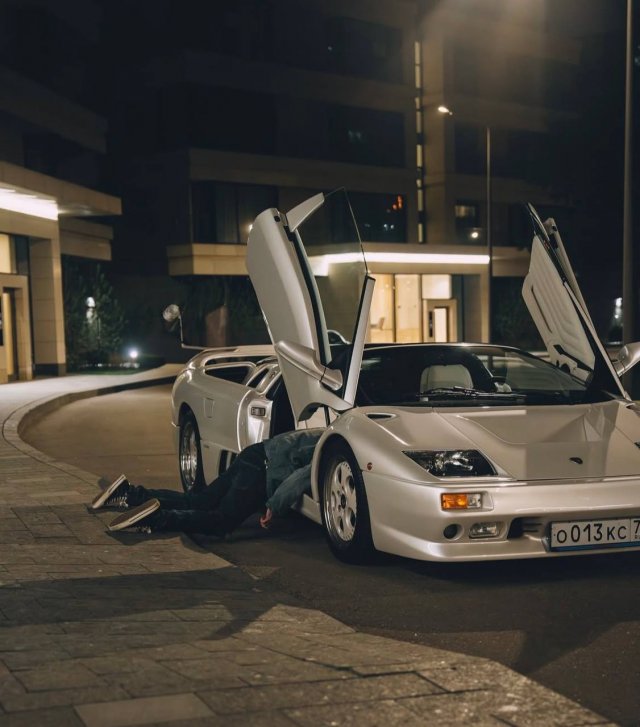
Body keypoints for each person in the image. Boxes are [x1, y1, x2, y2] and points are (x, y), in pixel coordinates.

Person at [90, 429, 323, 536]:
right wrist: (275, 505)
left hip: (255, 453)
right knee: (222, 521)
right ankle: (155, 519)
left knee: (199, 500)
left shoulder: (328, 430)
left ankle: (129, 493)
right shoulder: (337, 443)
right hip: (263, 470)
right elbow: (306, 474)